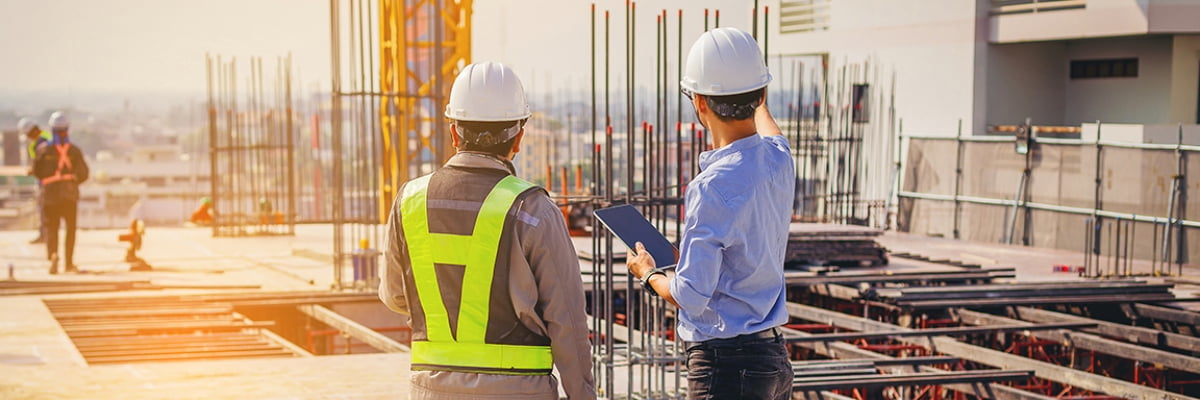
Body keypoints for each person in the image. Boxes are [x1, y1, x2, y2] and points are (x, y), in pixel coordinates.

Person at [379, 62, 595, 400]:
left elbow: (394, 295)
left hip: (431, 391)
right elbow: (566, 320)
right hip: (519, 391)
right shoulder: (533, 210)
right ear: (518, 137)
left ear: (453, 133)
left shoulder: (409, 201)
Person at [625, 27, 796, 400]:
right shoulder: (779, 161)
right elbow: (770, 131)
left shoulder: (711, 186)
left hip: (726, 367)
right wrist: (755, 94)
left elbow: (691, 295)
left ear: (699, 103)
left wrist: (647, 272)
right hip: (773, 359)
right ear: (761, 94)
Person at [33, 111, 89, 274]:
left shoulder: (43, 150)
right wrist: (72, 182)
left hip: (50, 196)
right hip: (69, 195)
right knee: (70, 229)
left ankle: (53, 255)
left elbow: (37, 172)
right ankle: (69, 263)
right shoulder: (74, 151)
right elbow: (84, 173)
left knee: (52, 228)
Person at [17, 117, 52, 244]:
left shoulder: (41, 142)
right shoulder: (46, 137)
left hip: (45, 182)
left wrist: (33, 171)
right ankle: (46, 234)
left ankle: (45, 235)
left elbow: (42, 164)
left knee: (44, 209)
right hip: (47, 181)